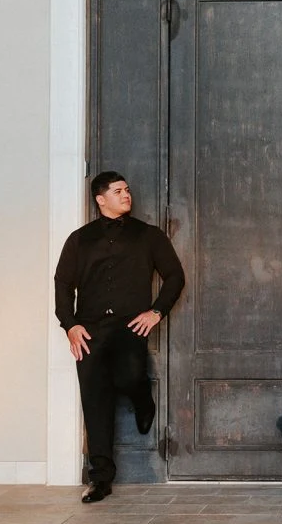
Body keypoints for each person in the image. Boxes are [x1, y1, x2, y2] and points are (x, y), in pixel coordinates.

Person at [55, 171, 185, 503]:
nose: (127, 195)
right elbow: (62, 284)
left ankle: (143, 401)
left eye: (127, 189)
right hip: (90, 331)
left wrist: (156, 312)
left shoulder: (149, 236)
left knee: (129, 376)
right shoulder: (79, 239)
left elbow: (174, 276)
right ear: (101, 200)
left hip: (130, 327)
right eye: (118, 191)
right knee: (95, 402)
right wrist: (70, 325)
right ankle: (100, 479)